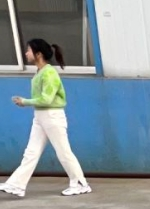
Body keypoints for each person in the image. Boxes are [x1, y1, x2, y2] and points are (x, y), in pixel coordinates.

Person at [0, 39, 91, 198]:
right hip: (41, 116)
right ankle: (16, 184)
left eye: (29, 50)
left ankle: (80, 184)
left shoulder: (49, 73)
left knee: (63, 152)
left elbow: (47, 99)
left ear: (38, 54)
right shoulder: (40, 72)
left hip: (52, 116)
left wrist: (25, 102)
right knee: (31, 152)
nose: (26, 53)